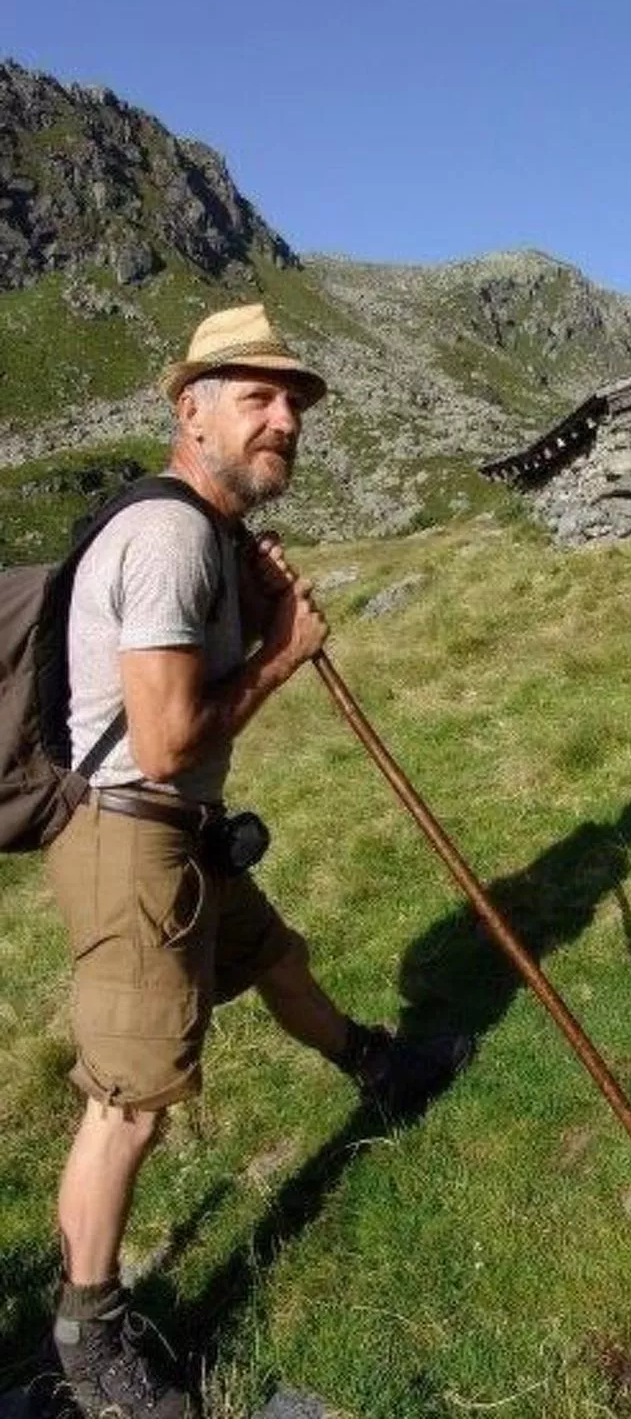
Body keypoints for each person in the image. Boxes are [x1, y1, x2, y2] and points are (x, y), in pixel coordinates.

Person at [45, 304, 438, 1419]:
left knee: (277, 960)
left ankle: (380, 1067)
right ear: (191, 409)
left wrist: (260, 602)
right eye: (257, 399)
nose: (284, 423)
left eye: (294, 405)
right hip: (132, 837)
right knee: (130, 1100)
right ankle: (88, 1341)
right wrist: (282, 653)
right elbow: (166, 739)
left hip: (182, 832)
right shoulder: (170, 539)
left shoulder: (208, 535)